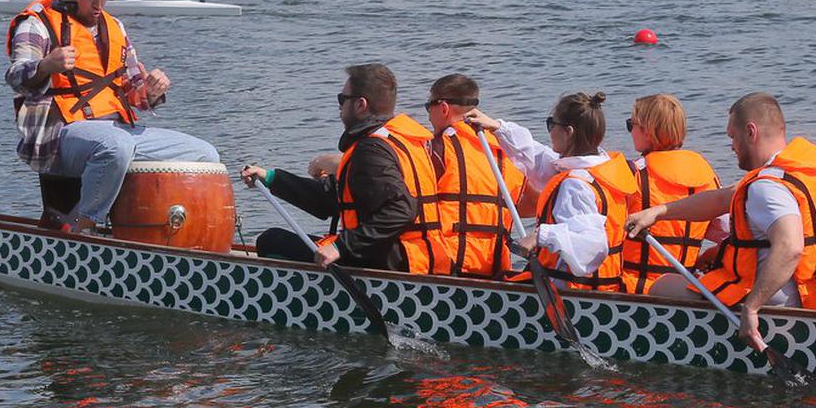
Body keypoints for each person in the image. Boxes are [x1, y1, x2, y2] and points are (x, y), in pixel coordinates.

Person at [5, 0, 219, 233]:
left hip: (117, 132)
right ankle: (81, 224)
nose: (99, 5)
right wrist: (46, 65)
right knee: (115, 146)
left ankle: (160, 232)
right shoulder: (37, 22)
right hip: (59, 135)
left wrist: (152, 91)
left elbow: (134, 90)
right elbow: (15, 76)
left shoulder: (113, 26)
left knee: (205, 154)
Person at [625, 93, 816, 350]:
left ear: (750, 132)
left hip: (781, 301)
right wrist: (658, 211)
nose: (731, 146)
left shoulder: (767, 188)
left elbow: (790, 248)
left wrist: (751, 308)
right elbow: (722, 198)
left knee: (662, 285)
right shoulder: (807, 170)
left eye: (732, 137)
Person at [241, 63, 448, 273]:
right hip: (415, 259)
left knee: (271, 241)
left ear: (360, 105)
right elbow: (330, 199)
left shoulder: (372, 150)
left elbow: (401, 209)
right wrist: (271, 178)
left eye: (342, 99)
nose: (339, 106)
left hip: (392, 265)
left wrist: (341, 246)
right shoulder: (402, 141)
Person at [465, 92, 637, 290]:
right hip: (604, 288)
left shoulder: (575, 185)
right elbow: (538, 158)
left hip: (574, 297)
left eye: (551, 125)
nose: (549, 131)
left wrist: (541, 235)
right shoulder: (600, 170)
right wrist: (499, 128)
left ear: (568, 132)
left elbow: (592, 245)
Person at [426, 73, 531, 278]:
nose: (428, 115)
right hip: (495, 268)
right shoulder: (506, 149)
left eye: (428, 106)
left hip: (447, 269)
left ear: (443, 108)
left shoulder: (436, 148)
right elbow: (533, 204)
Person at [623, 94, 724, 294]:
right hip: (685, 287)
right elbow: (728, 233)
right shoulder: (707, 176)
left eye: (630, 124)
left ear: (647, 131)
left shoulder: (632, 174)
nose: (629, 131)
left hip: (634, 290)